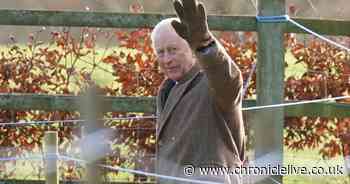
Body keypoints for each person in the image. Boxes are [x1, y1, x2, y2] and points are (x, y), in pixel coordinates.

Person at [151, 0, 245, 183]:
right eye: (160, 52)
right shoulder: (168, 90)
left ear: (191, 49)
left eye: (173, 50)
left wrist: (205, 45)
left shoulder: (212, 83)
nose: (167, 59)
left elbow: (229, 79)